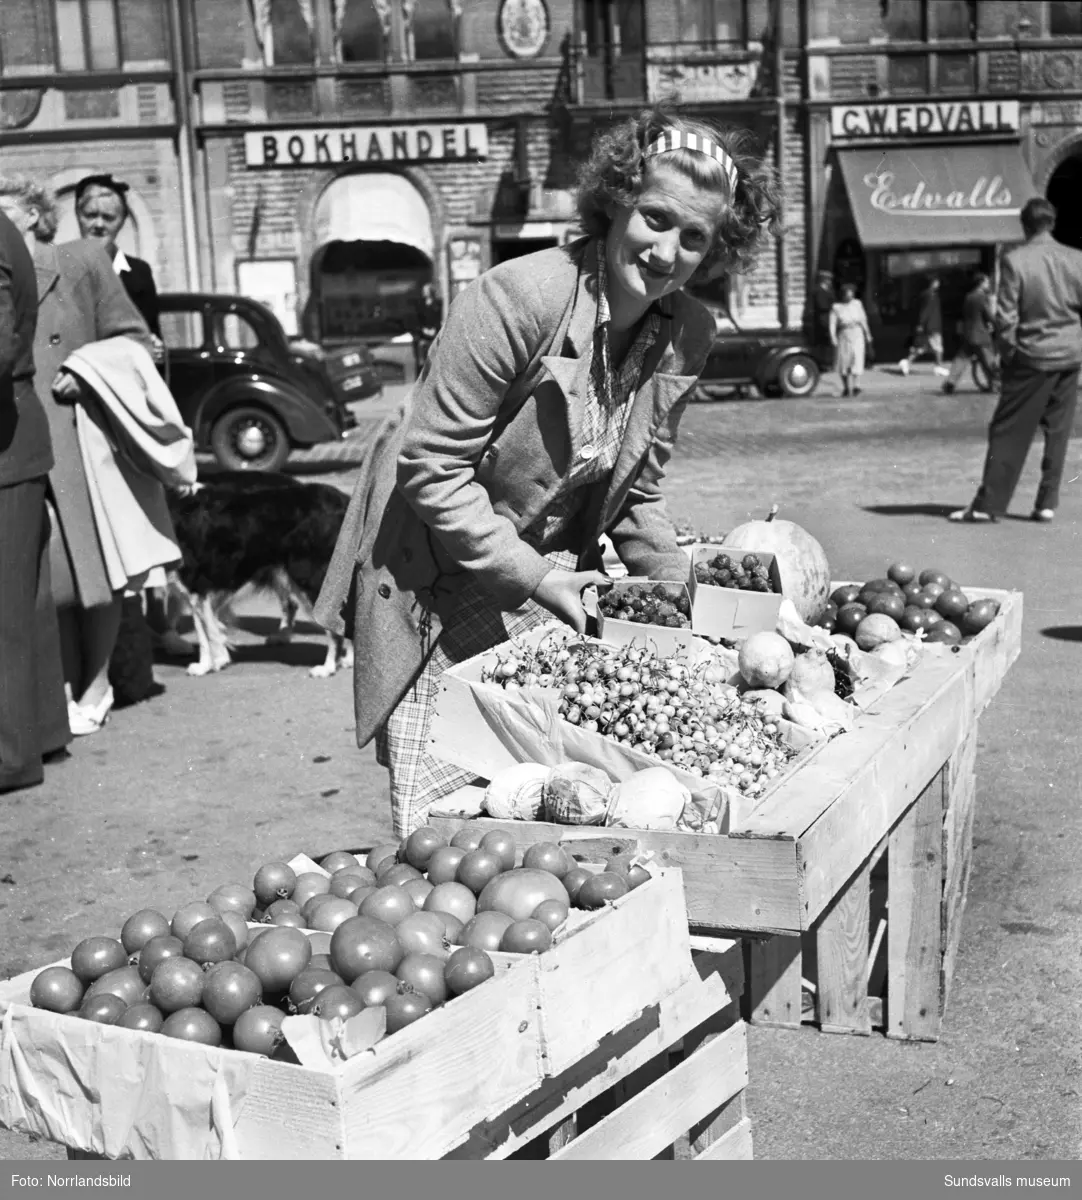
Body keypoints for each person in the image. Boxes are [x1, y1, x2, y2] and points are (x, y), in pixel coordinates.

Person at [315, 107, 782, 837]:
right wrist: (536, 576)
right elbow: (432, 466)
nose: (666, 251)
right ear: (616, 200)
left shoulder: (687, 331)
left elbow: (637, 493)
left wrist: (698, 600)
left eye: (694, 237)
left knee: (549, 815)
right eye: (655, 218)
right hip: (434, 570)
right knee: (448, 830)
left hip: (547, 583)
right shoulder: (519, 296)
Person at [0, 174, 163, 736]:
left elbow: (142, 343)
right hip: (16, 439)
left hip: (80, 441)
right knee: (47, 572)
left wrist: (86, 369)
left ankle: (95, 683)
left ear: (36, 216)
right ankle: (59, 688)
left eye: (7, 214)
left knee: (96, 571)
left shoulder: (81, 262)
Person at [950, 197, 1082, 524]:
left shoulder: (1015, 261)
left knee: (1007, 430)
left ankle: (988, 504)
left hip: (1033, 356)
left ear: (1025, 225)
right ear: (1051, 222)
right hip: (1070, 354)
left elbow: (1006, 318)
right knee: (1058, 430)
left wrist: (1007, 355)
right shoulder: (1076, 259)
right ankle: (1046, 503)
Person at [0, 209, 71, 794]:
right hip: (14, 439)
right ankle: (41, 731)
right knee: (24, 602)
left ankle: (9, 757)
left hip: (4, 443)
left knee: (5, 613)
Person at [73, 174, 162, 343]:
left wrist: (155, 348)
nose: (99, 225)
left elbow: (153, 333)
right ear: (78, 215)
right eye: (91, 215)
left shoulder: (139, 272)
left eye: (108, 217)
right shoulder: (61, 269)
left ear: (122, 221)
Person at [943, 271, 997, 396]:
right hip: (981, 335)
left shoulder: (968, 296)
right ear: (981, 283)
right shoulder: (982, 297)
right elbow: (988, 315)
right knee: (988, 361)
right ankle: (995, 384)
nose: (988, 284)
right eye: (987, 282)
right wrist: (997, 327)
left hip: (968, 334)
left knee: (961, 360)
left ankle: (950, 382)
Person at [829, 282, 873, 397]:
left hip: (857, 333)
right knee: (844, 361)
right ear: (842, 295)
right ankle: (846, 387)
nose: (850, 296)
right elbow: (832, 323)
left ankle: (856, 386)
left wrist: (867, 333)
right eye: (847, 295)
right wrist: (833, 337)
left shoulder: (858, 304)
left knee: (857, 358)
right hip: (844, 334)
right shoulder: (836, 307)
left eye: (851, 294)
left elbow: (863, 319)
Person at [899, 276, 948, 376]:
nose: (938, 283)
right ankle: (938, 366)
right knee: (938, 347)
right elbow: (926, 311)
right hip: (932, 325)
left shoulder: (924, 294)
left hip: (928, 325)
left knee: (921, 348)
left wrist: (921, 324)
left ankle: (906, 362)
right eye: (937, 281)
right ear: (933, 283)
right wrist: (921, 324)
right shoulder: (931, 295)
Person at [412, 282, 443, 374]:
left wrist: (433, 330)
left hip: (434, 332)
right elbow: (418, 319)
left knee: (434, 355)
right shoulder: (420, 304)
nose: (424, 292)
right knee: (422, 351)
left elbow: (438, 318)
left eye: (425, 290)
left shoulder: (437, 303)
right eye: (423, 290)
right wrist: (423, 329)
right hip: (423, 333)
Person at [811, 269, 835, 348]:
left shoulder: (828, 290)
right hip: (823, 319)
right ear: (824, 280)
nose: (830, 281)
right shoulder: (819, 290)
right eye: (828, 279)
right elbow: (822, 305)